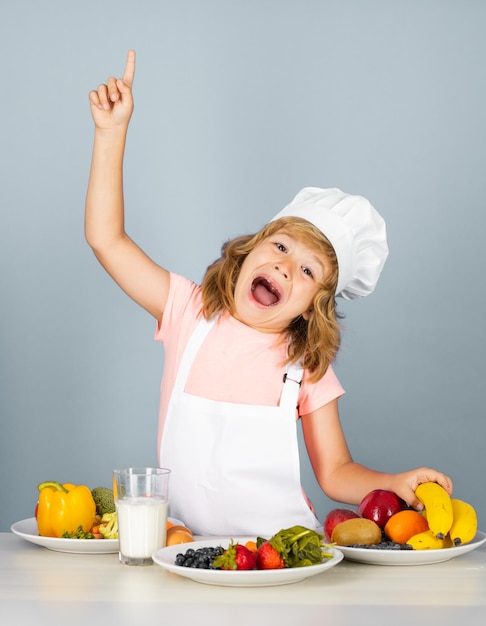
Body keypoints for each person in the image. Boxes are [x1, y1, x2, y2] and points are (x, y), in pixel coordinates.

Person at [85, 50, 452, 536]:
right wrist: (111, 133)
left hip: (281, 560)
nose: (284, 265)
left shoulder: (307, 366)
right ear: (248, 250)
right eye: (279, 245)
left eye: (306, 270)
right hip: (185, 550)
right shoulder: (187, 310)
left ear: (312, 308)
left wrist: (397, 483)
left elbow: (336, 472)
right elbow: (106, 238)